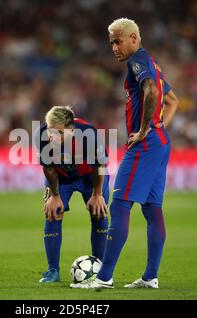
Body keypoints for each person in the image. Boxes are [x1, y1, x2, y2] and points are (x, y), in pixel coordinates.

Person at [71, 18, 179, 289]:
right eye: (111, 43)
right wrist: (158, 127)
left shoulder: (138, 61)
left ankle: (103, 278)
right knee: (153, 208)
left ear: (134, 38)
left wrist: (144, 131)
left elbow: (153, 91)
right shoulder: (152, 63)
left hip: (145, 144)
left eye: (118, 41)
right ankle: (150, 277)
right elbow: (172, 100)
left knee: (119, 205)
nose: (114, 48)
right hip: (161, 142)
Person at [34, 105, 110, 283]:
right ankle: (53, 271)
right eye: (51, 131)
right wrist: (54, 196)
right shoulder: (41, 135)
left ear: (72, 130)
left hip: (89, 178)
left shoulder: (89, 134)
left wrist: (97, 194)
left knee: (99, 214)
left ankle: (101, 271)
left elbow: (100, 166)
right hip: (61, 179)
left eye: (59, 132)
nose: (52, 136)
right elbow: (49, 168)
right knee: (52, 213)